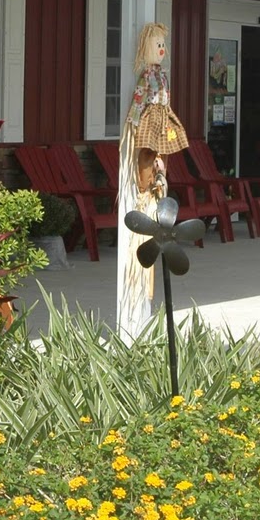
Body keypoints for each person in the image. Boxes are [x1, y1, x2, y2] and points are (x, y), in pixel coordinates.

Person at [117, 22, 188, 333]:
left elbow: (164, 97)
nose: (162, 49)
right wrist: (131, 124)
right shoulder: (148, 74)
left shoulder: (162, 74)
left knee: (163, 151)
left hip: (162, 118)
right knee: (146, 153)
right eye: (157, 44)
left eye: (163, 44)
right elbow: (139, 98)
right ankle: (146, 181)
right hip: (148, 120)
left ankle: (159, 177)